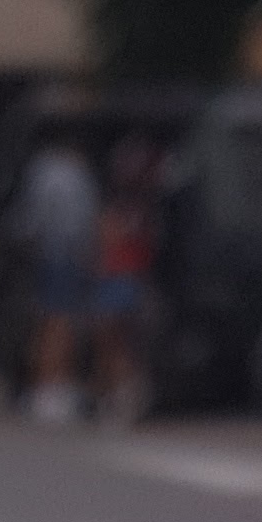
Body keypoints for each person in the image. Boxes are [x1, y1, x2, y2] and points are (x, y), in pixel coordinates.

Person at [12, 133, 99, 423]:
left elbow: (28, 220)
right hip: (65, 255)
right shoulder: (68, 174)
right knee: (59, 324)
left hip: (47, 254)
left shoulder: (40, 170)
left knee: (48, 322)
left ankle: (42, 387)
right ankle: (50, 389)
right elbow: (79, 222)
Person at [92, 135, 161, 427]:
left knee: (123, 342)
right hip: (117, 277)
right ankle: (115, 396)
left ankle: (125, 397)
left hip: (127, 278)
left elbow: (121, 239)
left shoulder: (141, 206)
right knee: (113, 341)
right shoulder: (119, 204)